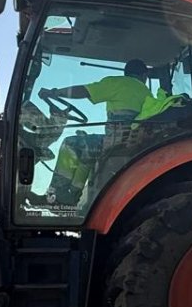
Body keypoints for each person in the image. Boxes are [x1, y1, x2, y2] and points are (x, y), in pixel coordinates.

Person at [34, 58, 180, 206]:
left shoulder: (117, 83)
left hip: (115, 143)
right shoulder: (147, 92)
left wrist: (55, 92)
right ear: (144, 76)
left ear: (126, 73)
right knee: (86, 149)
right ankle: (70, 197)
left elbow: (84, 91)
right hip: (134, 143)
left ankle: (54, 196)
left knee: (71, 144)